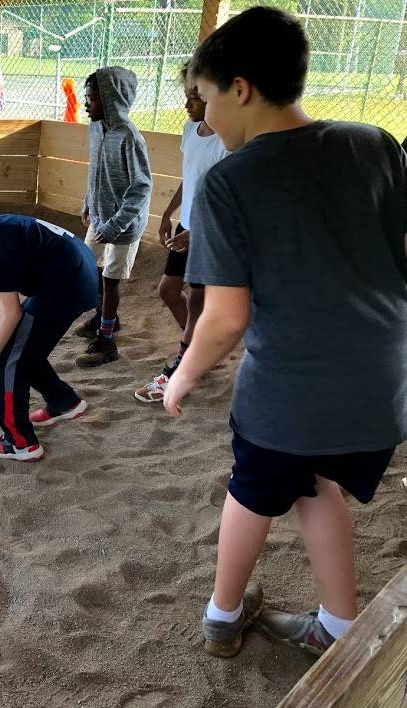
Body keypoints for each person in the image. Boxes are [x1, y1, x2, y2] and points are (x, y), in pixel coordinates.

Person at [163, 7, 407, 659]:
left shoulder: (230, 180)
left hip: (289, 391)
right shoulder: (377, 143)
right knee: (318, 482)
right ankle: (339, 625)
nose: (206, 117)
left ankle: (222, 616)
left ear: (240, 89)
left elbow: (226, 318)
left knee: (253, 489)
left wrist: (181, 375)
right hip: (381, 388)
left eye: (208, 99)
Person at [0, 176, 98, 462]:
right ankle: (65, 402)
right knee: (24, 348)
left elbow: (12, 312)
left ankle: (19, 441)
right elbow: (8, 308)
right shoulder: (3, 226)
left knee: (11, 359)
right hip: (75, 279)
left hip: (66, 287)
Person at [135, 62, 226, 403]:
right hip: (187, 225)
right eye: (186, 97)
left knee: (199, 300)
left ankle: (183, 367)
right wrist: (168, 214)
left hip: (210, 231)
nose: (187, 105)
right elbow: (191, 178)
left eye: (194, 98)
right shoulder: (191, 132)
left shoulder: (226, 142)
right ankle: (199, 349)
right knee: (168, 290)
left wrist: (198, 230)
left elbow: (226, 196)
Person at [74, 68, 152, 368]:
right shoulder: (96, 129)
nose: (86, 104)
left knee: (110, 279)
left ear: (111, 99)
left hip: (123, 223)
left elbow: (141, 186)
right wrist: (88, 202)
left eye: (92, 99)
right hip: (100, 215)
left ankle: (107, 342)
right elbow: (95, 171)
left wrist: (116, 223)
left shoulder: (129, 137)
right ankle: (107, 317)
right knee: (89, 268)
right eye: (87, 97)